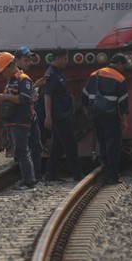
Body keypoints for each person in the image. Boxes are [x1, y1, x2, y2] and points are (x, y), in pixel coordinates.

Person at [0, 52, 36, 191]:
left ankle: (29, 182)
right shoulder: (10, 80)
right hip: (12, 121)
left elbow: (24, 99)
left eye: (4, 70)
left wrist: (4, 97)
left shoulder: (24, 79)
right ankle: (26, 180)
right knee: (19, 151)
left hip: (21, 121)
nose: (2, 74)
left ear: (11, 66)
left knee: (22, 151)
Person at [82, 54, 129, 185]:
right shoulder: (120, 79)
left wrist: (87, 110)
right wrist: (125, 120)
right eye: (123, 66)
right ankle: (113, 176)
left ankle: (103, 166)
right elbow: (123, 103)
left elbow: (84, 94)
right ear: (119, 64)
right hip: (111, 116)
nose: (123, 68)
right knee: (112, 144)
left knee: (101, 140)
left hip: (95, 114)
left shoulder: (94, 74)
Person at [43, 48, 82, 182]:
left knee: (57, 146)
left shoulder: (58, 74)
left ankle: (50, 173)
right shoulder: (51, 75)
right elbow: (47, 95)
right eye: (65, 59)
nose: (67, 61)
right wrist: (48, 116)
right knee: (70, 145)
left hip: (64, 115)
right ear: (58, 59)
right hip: (59, 116)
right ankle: (77, 174)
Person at [14, 47, 47, 180]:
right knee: (27, 148)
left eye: (29, 60)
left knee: (35, 146)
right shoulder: (18, 77)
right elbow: (21, 96)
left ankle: (35, 176)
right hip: (25, 117)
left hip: (30, 115)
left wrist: (35, 86)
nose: (28, 63)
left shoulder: (21, 76)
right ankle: (31, 178)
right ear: (16, 61)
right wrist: (34, 86)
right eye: (25, 60)